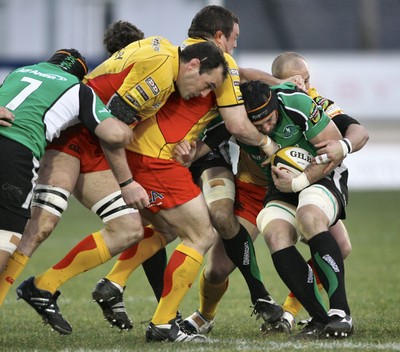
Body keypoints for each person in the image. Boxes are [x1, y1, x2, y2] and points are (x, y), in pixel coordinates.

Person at [92, 5, 294, 336]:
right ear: (219, 36)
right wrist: (269, 141)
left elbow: (242, 74)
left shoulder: (180, 54)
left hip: (182, 153)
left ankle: (254, 295)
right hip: (190, 154)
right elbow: (237, 122)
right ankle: (159, 309)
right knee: (205, 221)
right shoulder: (210, 60)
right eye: (234, 38)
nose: (235, 46)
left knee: (183, 222)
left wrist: (277, 81)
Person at [13, 36, 229, 336]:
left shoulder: (160, 49)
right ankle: (160, 321)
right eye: (207, 84)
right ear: (194, 64)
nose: (204, 93)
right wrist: (127, 183)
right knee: (38, 227)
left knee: (129, 228)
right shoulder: (163, 68)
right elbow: (113, 126)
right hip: (79, 137)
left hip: (89, 142)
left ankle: (46, 286)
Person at [180, 52, 369, 336]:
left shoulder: (305, 100)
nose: (302, 83)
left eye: (305, 78)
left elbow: (353, 133)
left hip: (308, 181)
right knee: (218, 268)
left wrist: (334, 153)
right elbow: (236, 72)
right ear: (276, 80)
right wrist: (184, 150)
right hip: (260, 188)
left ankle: (304, 313)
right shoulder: (239, 114)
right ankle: (204, 316)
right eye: (295, 79)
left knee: (338, 245)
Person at [0, 48, 137, 278]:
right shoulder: (79, 89)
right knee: (6, 236)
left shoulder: (20, 72)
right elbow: (113, 135)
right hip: (16, 152)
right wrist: (127, 128)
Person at [239, 80, 355, 339]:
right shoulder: (239, 126)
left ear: (275, 105)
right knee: (273, 231)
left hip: (322, 175)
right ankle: (320, 319)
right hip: (281, 184)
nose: (266, 128)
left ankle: (341, 314)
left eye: (269, 121)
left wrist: (299, 181)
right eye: (258, 127)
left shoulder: (297, 103)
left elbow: (334, 149)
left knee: (309, 216)